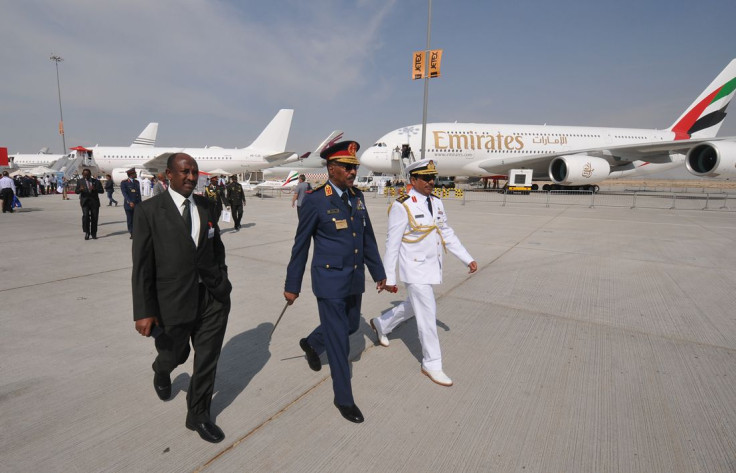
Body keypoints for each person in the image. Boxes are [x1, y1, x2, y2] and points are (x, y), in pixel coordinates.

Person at [284, 140, 387, 424]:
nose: (353, 171)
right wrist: (292, 285)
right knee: (341, 339)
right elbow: (300, 246)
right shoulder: (316, 200)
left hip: (353, 277)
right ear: (332, 169)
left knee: (351, 325)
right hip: (329, 281)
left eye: (355, 167)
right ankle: (343, 398)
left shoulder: (357, 197)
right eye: (347, 167)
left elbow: (367, 238)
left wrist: (378, 272)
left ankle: (312, 343)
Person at [131, 153, 232, 443]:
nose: (191, 177)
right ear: (168, 176)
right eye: (185, 172)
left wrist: (222, 282)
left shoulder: (206, 205)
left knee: (207, 358)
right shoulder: (149, 211)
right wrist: (143, 310)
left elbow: (216, 248)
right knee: (176, 353)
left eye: (194, 172)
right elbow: (142, 266)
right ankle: (161, 369)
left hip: (212, 297)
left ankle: (198, 415)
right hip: (172, 300)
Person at [370, 159, 478, 387]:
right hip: (414, 268)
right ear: (413, 180)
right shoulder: (402, 205)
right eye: (426, 178)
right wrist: (389, 277)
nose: (431, 182)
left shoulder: (437, 202)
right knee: (427, 313)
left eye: (433, 178)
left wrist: (467, 258)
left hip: (431, 267)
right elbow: (393, 243)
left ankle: (382, 324)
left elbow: (445, 232)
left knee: (413, 305)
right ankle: (432, 363)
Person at [74, 168, 104, 240]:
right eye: (84, 175)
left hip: (94, 202)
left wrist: (95, 189)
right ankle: (87, 232)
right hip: (85, 202)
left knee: (94, 218)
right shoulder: (80, 181)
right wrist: (80, 190)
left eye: (87, 175)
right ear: (83, 175)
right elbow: (76, 191)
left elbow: (102, 191)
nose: (86, 176)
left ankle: (94, 233)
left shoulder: (96, 181)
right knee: (85, 217)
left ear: (90, 174)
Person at [120, 168, 142, 238]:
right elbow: (124, 193)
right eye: (135, 173)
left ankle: (136, 232)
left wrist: (140, 203)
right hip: (129, 204)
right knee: (130, 219)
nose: (136, 174)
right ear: (131, 175)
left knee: (136, 219)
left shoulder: (137, 182)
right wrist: (130, 202)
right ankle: (132, 232)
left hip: (137, 204)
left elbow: (138, 194)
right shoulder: (124, 183)